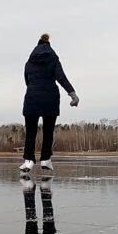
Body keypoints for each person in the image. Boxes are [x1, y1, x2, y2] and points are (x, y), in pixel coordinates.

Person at [19, 33, 79, 172]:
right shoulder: (54, 60)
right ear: (49, 44)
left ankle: (28, 161)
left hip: (32, 98)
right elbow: (61, 78)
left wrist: (35, 89)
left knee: (31, 132)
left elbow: (27, 81)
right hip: (50, 98)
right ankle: (45, 159)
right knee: (48, 131)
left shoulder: (29, 63)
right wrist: (72, 94)